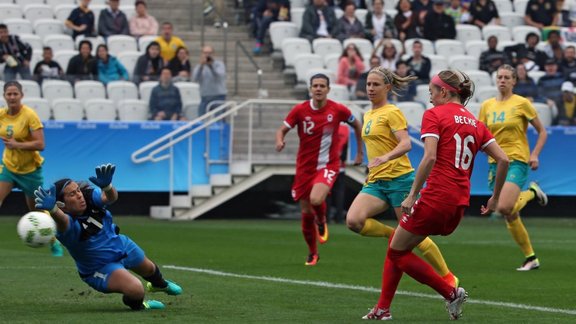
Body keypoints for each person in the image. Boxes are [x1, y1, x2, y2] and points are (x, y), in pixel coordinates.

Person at [363, 70, 510, 320]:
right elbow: (503, 159)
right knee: (397, 245)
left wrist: (411, 195)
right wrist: (495, 198)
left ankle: (450, 293)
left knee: (397, 252)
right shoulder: (476, 123)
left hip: (436, 197)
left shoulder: (434, 115)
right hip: (459, 203)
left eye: (432, 92)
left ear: (444, 91)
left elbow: (429, 157)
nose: (429, 98)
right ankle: (382, 309)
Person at [346, 66, 458, 290]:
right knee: (354, 221)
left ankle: (448, 276)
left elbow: (405, 143)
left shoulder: (392, 112)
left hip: (399, 180)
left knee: (414, 233)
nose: (370, 88)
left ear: (387, 87)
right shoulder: (368, 114)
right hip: (377, 182)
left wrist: (385, 157)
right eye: (368, 84)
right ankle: (393, 233)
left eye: (375, 84)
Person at [33, 163, 183, 310]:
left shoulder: (88, 197)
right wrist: (53, 210)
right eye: (72, 194)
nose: (79, 195)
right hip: (100, 267)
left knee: (150, 270)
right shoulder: (65, 226)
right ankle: (142, 305)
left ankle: (159, 285)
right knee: (136, 289)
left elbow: (110, 198)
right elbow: (62, 220)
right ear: (62, 205)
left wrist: (107, 187)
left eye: (78, 190)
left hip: (121, 245)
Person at [275, 73, 364, 266]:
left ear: (328, 89)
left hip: (328, 164)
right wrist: (280, 140)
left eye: (322, 86)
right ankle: (312, 252)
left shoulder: (338, 109)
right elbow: (282, 129)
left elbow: (357, 125)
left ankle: (322, 220)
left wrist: (359, 153)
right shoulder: (299, 110)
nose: (318, 89)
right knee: (306, 211)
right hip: (304, 168)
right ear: (310, 89)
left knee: (316, 199)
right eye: (315, 85)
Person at [478, 64, 549, 271]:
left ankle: (532, 192)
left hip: (516, 159)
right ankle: (531, 257)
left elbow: (542, 131)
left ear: (514, 81)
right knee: (510, 215)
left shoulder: (522, 103)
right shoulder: (487, 105)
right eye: (499, 77)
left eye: (507, 77)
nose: (502, 80)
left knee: (503, 207)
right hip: (495, 163)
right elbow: (481, 133)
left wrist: (534, 154)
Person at [0, 81, 63, 257]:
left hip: (30, 171)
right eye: (9, 94)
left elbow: (40, 144)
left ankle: (53, 241)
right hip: (9, 167)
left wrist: (16, 144)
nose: (12, 97)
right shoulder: (1, 115)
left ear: (21, 95)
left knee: (36, 211)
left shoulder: (29, 115)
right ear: (4, 96)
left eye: (15, 94)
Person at [192, 45, 227, 116]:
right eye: (205, 53)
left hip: (218, 96)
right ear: (202, 54)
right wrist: (201, 66)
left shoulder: (219, 64)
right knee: (201, 119)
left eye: (209, 53)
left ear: (213, 54)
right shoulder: (199, 66)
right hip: (205, 96)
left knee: (219, 119)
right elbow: (194, 79)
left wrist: (211, 66)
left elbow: (220, 76)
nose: (207, 55)